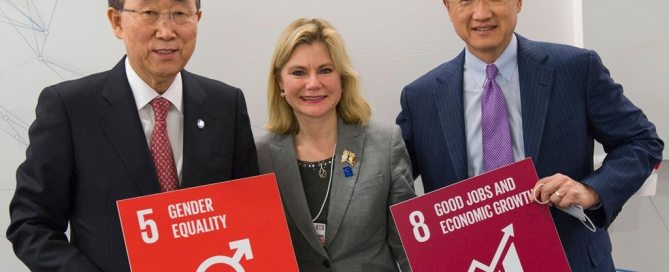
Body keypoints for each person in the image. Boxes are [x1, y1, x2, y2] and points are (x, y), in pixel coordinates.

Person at [396, 0, 663, 271]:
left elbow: (642, 142)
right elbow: (385, 177)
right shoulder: (421, 97)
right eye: (466, 1)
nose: (481, 13)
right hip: (474, 263)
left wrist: (591, 190)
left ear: (518, 3)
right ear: (448, 7)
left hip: (570, 260)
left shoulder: (576, 68)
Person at [6, 0, 258, 271]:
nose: (166, 31)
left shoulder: (226, 105)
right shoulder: (70, 108)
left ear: (197, 18)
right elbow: (31, 224)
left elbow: (250, 215)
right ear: (117, 22)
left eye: (180, 14)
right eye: (149, 13)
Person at [256, 18, 415, 271]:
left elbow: (410, 250)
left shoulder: (386, 144)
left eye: (325, 70)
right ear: (279, 82)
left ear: (342, 78)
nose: (313, 83)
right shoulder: (259, 157)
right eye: (298, 72)